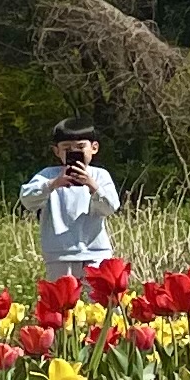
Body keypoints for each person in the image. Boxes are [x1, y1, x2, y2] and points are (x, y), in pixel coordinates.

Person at [20, 117, 122, 274]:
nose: (74, 153)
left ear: (94, 148)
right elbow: (27, 199)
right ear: (56, 151)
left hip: (96, 251)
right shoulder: (48, 175)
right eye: (67, 149)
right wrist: (52, 184)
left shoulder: (100, 175)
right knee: (63, 297)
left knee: (99, 297)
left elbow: (111, 207)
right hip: (59, 254)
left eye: (80, 147)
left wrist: (92, 185)